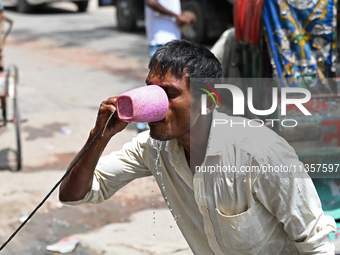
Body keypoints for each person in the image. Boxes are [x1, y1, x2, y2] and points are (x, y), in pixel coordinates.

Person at [59, 40, 336, 254]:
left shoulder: (259, 152)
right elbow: (73, 194)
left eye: (169, 93)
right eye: (151, 91)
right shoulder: (152, 148)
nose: (154, 106)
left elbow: (315, 241)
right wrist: (99, 136)